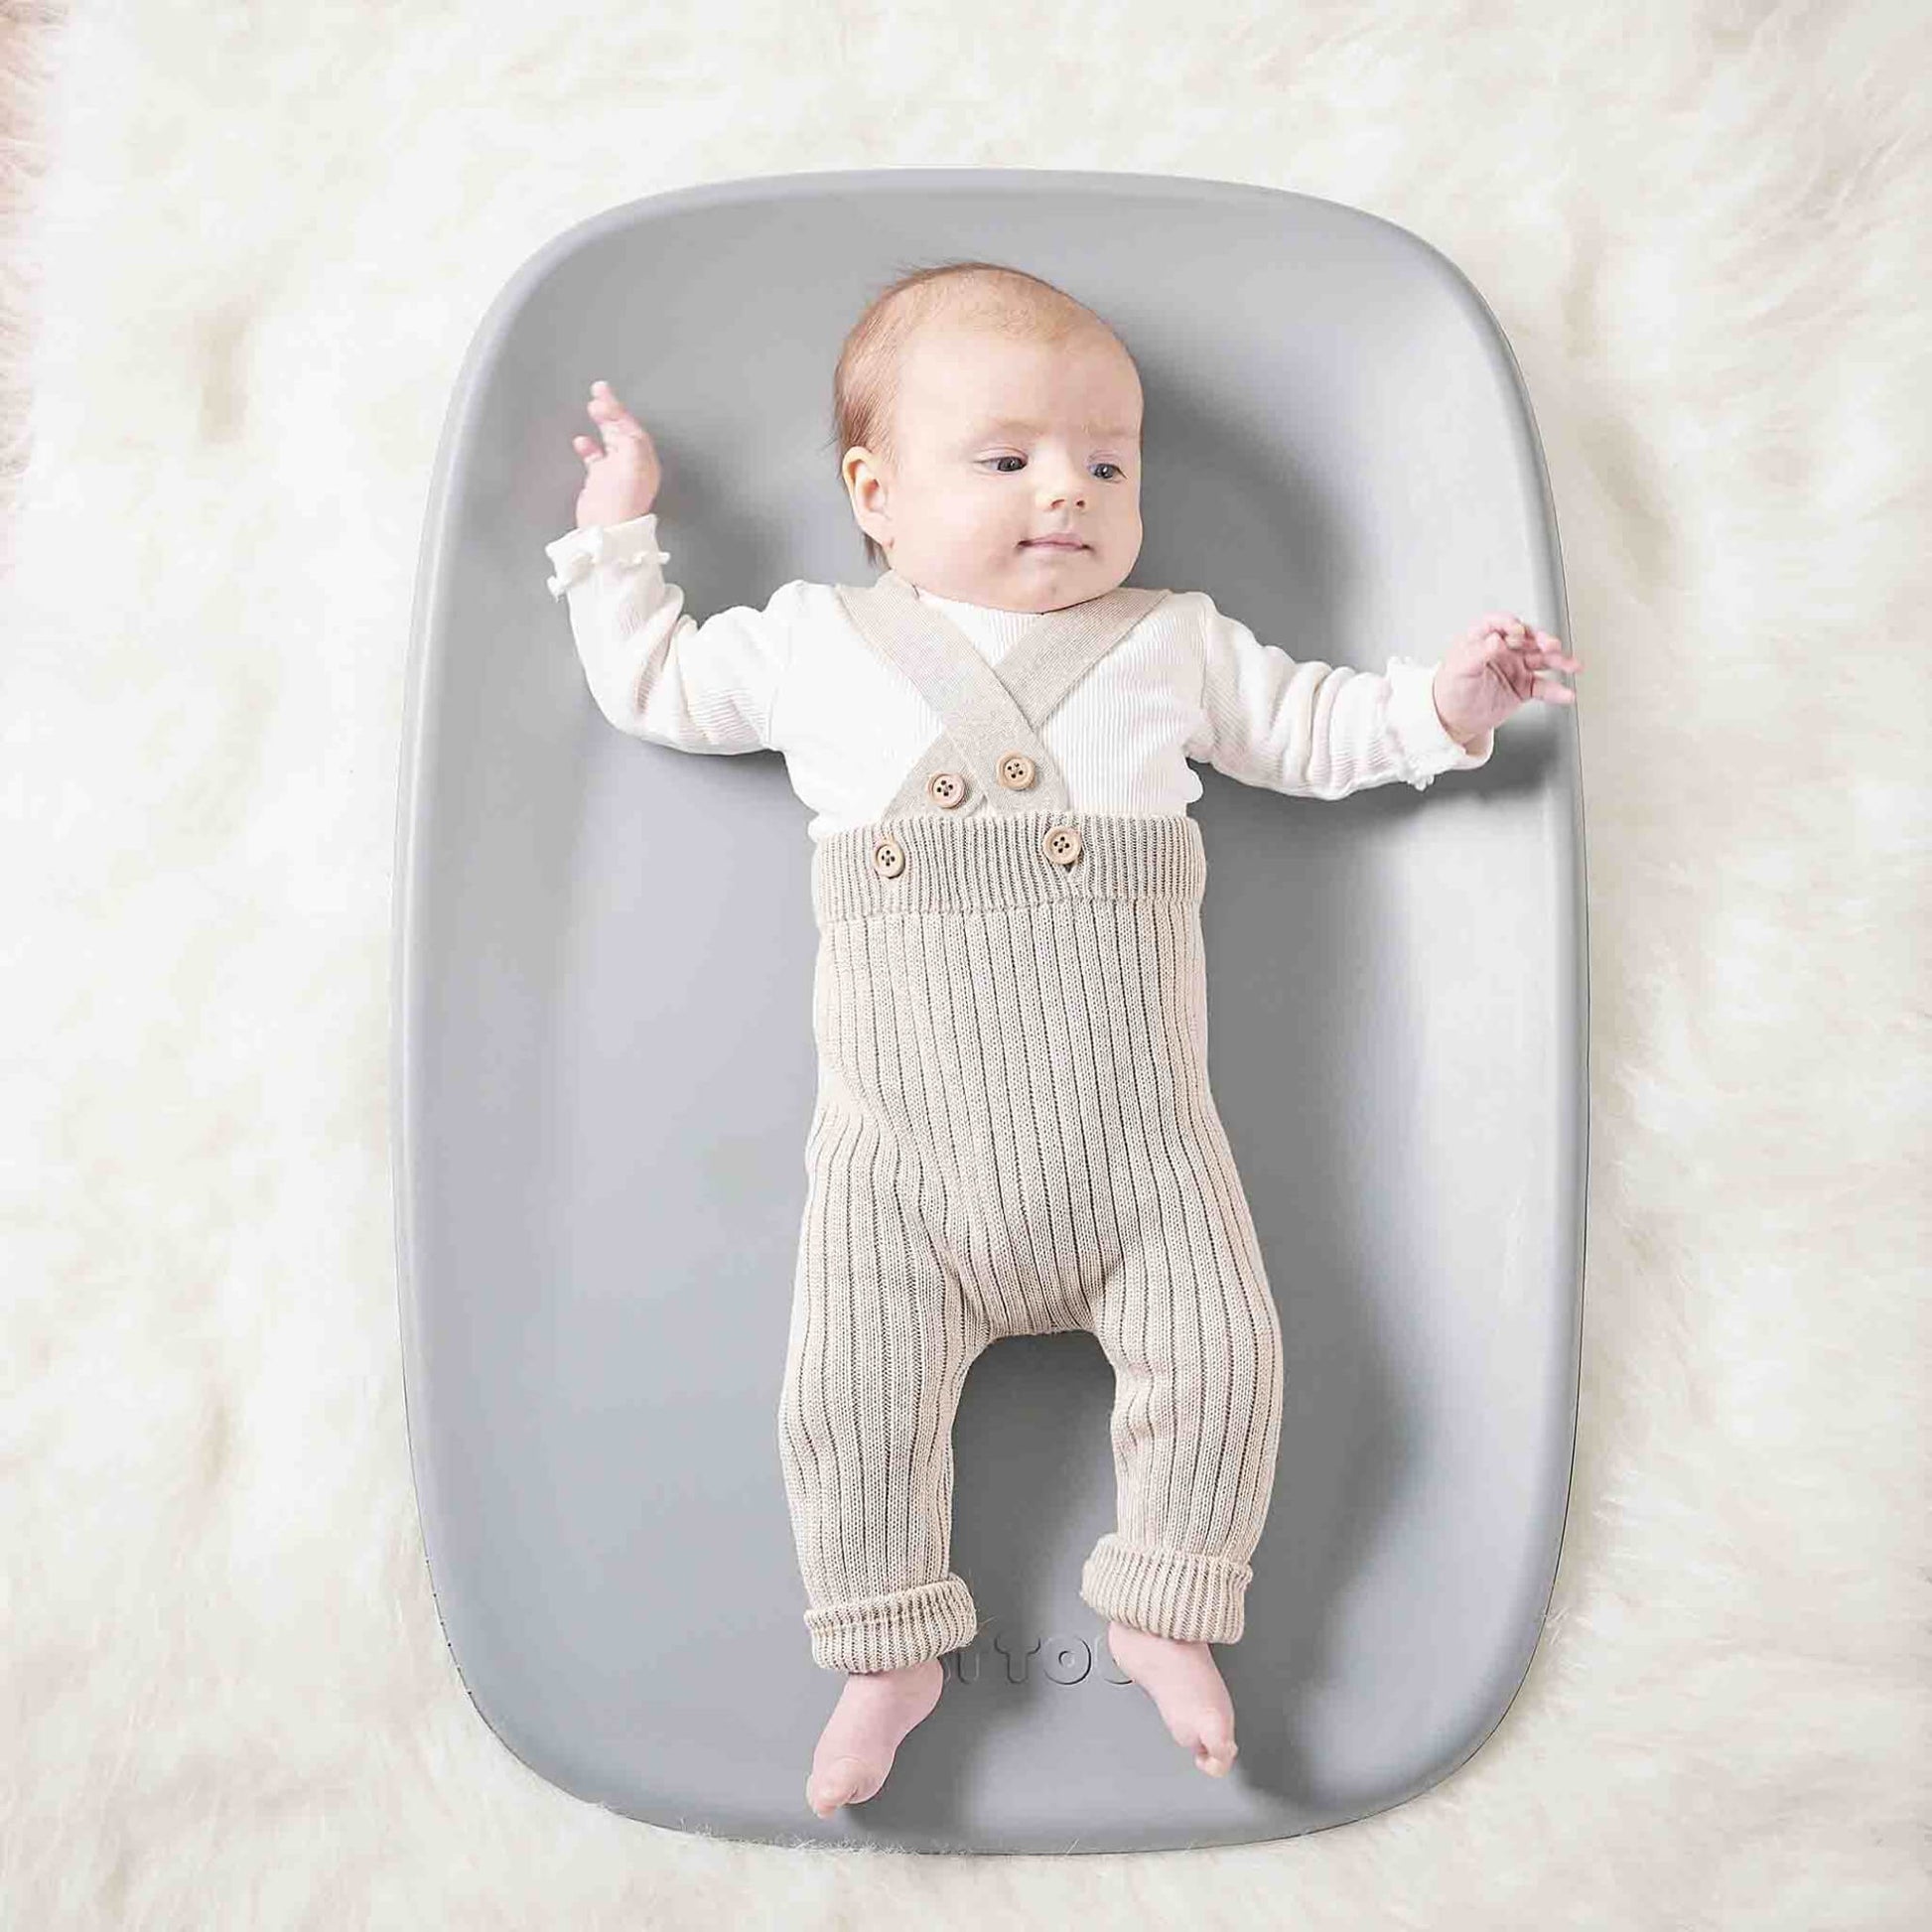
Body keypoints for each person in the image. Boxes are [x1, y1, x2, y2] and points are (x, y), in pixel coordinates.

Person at [542, 261, 1582, 1821]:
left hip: (1142, 1160)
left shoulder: (1170, 640)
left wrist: (1444, 701)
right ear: (873, 493)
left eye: (1109, 462)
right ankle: (882, 1642)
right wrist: (618, 529)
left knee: (1227, 1356)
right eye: (1008, 457)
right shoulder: (819, 639)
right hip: (901, 1173)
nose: (1068, 494)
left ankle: (1165, 1595)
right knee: (840, 1398)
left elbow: (1311, 729)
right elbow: (655, 681)